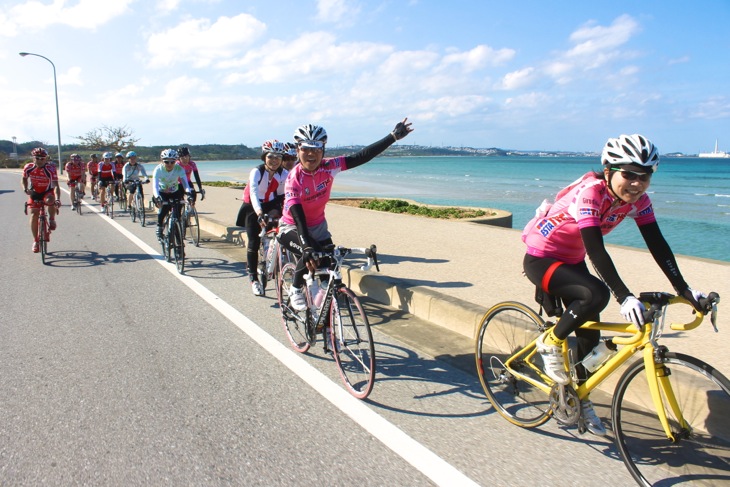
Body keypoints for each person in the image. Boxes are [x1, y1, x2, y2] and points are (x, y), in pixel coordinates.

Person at [521, 133, 707, 436]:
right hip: (542, 257)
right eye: (629, 175)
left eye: (644, 176)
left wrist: (684, 290)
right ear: (608, 171)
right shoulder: (590, 193)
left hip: (572, 260)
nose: (637, 183)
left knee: (589, 342)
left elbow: (658, 244)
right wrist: (625, 297)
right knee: (597, 295)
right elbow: (596, 251)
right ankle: (549, 342)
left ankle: (580, 400)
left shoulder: (639, 202)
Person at [278, 118, 413, 310]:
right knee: (310, 251)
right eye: (305, 148)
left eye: (316, 149)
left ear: (323, 150)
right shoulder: (294, 178)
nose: (311, 154)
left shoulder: (329, 167)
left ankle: (322, 312)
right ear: (298, 150)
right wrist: (307, 245)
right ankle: (296, 288)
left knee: (330, 266)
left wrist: (392, 137)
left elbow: (361, 156)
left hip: (318, 226)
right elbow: (298, 216)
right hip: (291, 227)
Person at [235, 140, 289, 296]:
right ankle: (253, 278)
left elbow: (285, 195)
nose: (274, 160)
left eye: (278, 157)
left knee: (283, 230)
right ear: (264, 157)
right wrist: (259, 213)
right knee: (253, 241)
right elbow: (253, 193)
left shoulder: (283, 174)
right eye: (271, 156)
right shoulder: (257, 172)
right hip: (253, 206)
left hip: (271, 204)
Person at [21, 148, 61, 253]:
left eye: (42, 158)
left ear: (46, 159)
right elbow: (24, 178)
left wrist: (57, 199)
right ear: (33, 158)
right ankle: (36, 241)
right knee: (34, 214)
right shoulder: (28, 167)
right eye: (37, 158)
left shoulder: (50, 169)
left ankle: (52, 219)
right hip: (35, 192)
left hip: (47, 191)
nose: (39, 160)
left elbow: (56, 186)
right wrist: (25, 188)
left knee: (50, 200)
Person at [152, 149, 191, 240]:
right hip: (162, 193)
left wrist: (189, 193)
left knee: (177, 215)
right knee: (164, 210)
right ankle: (160, 226)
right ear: (162, 161)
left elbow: (185, 183)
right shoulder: (158, 170)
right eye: (166, 162)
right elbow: (155, 186)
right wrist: (157, 197)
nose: (169, 164)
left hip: (175, 192)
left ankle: (178, 242)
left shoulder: (179, 169)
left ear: (175, 161)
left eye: (172, 161)